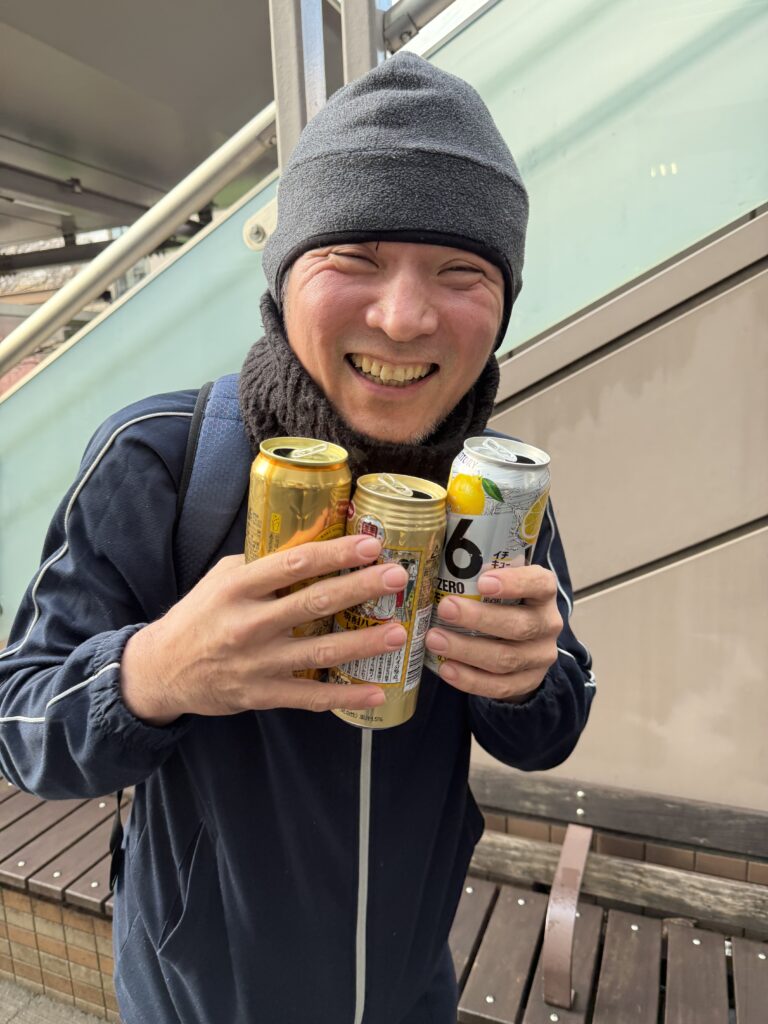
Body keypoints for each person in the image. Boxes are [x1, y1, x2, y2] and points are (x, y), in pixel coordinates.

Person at [0, 53, 595, 1024]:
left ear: (504, 302)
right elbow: (18, 723)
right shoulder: (161, 460)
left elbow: (548, 731)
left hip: (410, 995)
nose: (403, 317)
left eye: (461, 272)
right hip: (198, 1002)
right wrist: (154, 673)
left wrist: (533, 680)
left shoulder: (490, 492)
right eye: (353, 258)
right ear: (283, 281)